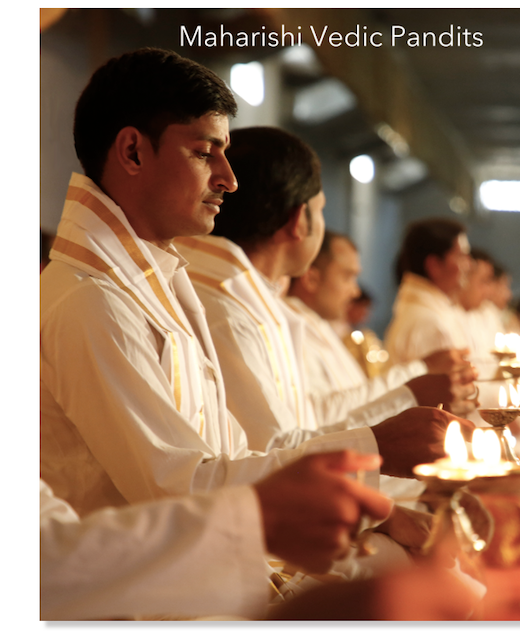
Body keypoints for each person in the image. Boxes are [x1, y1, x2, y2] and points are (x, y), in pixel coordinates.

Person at [40, 48, 471, 532]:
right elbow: (183, 487)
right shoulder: (93, 301)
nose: (228, 179)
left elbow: (236, 453)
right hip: (148, 576)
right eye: (204, 153)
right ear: (133, 152)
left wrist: (377, 511)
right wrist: (376, 446)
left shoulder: (157, 282)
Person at [41, 450, 392, 620]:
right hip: (147, 593)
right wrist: (261, 517)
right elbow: (175, 479)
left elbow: (234, 449)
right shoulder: (94, 321)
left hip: (158, 578)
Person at [286, 230, 478, 419]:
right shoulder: (292, 332)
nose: (355, 291)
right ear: (311, 279)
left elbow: (354, 401)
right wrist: (422, 369)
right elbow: (322, 415)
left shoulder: (317, 325)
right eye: (347, 276)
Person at [384, 217, 474, 366]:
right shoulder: (429, 323)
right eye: (461, 256)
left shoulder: (432, 310)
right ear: (434, 265)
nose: (469, 265)